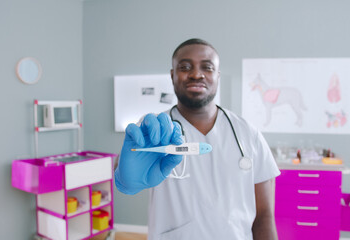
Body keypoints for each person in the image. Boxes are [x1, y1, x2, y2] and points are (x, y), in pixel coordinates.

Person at [114, 38, 280, 240]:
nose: (196, 74)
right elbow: (124, 169)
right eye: (185, 67)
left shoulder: (248, 134)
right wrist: (125, 179)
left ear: (217, 76)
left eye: (207, 67)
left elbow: (264, 216)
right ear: (172, 75)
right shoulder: (154, 130)